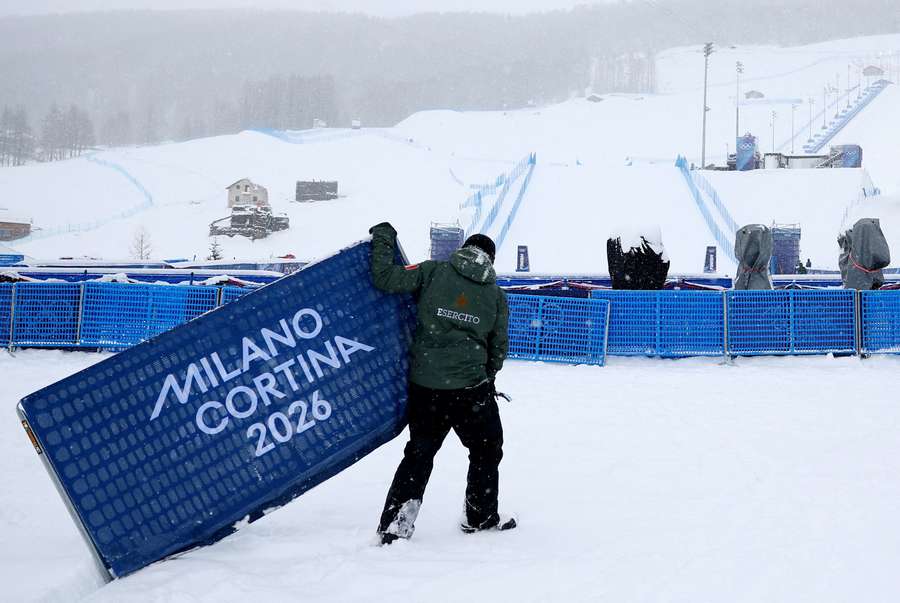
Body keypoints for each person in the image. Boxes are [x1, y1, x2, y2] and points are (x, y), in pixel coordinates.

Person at [369, 222, 515, 545]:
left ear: (462, 251)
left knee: (419, 454)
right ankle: (480, 516)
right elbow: (498, 349)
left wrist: (383, 238)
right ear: (490, 259)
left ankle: (395, 526)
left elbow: (385, 278)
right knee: (486, 449)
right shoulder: (494, 296)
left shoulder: (432, 271)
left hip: (426, 388)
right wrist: (485, 377)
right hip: (470, 391)